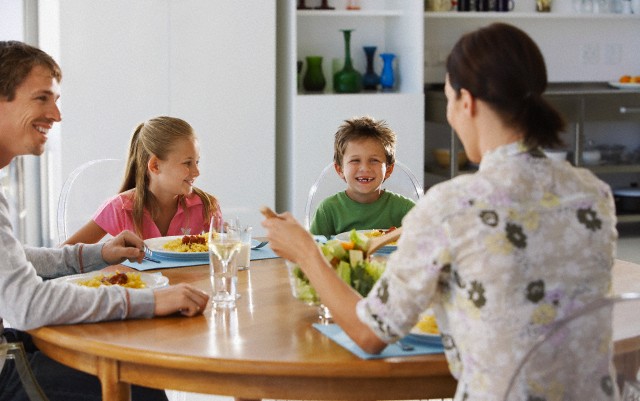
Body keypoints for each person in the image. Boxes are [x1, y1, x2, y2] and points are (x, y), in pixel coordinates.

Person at [263, 23, 618, 400]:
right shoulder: (595, 193)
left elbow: (371, 333)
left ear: (467, 102)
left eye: (449, 100)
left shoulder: (452, 205)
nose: (450, 114)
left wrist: (306, 252)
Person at [0, 40, 210, 401]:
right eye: (41, 98)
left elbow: (14, 259)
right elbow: (27, 304)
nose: (56, 114)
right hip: (8, 368)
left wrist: (97, 254)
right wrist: (151, 301)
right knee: (141, 386)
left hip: (13, 348)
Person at [63, 116, 222, 245]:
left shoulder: (207, 207)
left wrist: (227, 240)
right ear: (155, 165)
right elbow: (64, 256)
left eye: (197, 162)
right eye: (187, 163)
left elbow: (223, 261)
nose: (197, 172)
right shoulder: (120, 208)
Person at [309, 116, 415, 239]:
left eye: (374, 160)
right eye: (355, 160)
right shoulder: (327, 211)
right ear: (340, 169)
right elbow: (313, 251)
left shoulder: (407, 210)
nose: (364, 168)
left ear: (389, 169)